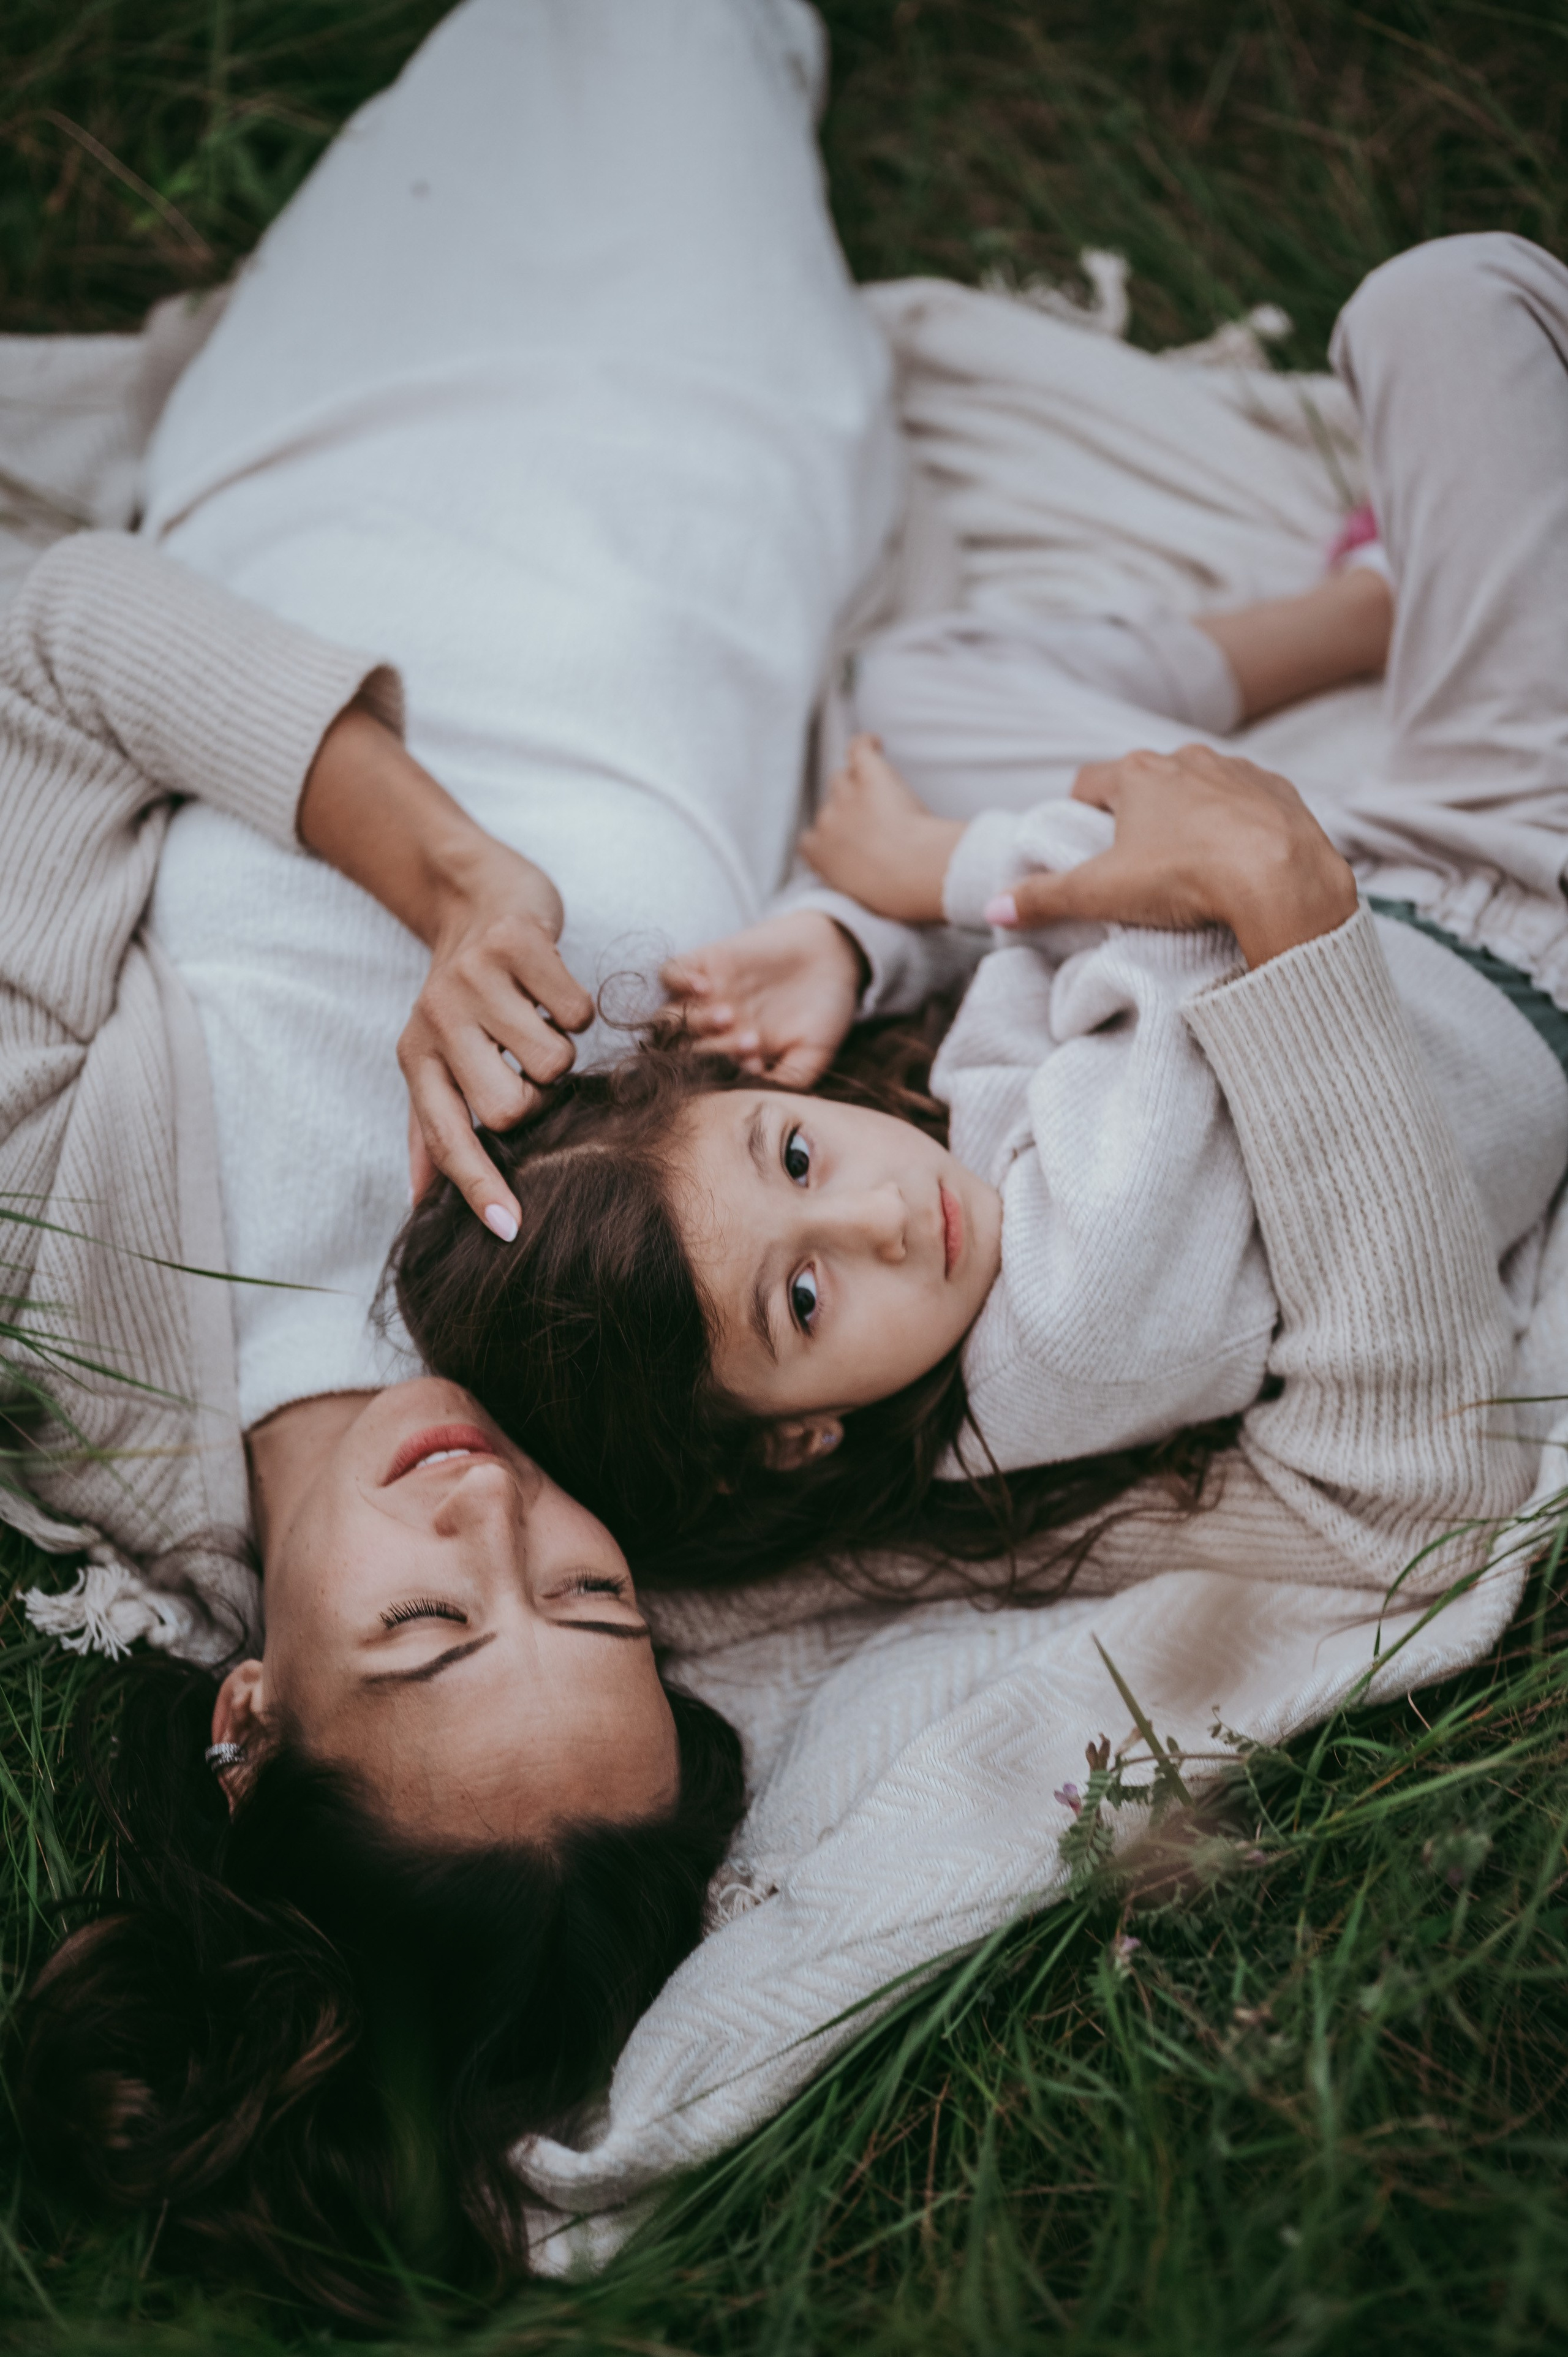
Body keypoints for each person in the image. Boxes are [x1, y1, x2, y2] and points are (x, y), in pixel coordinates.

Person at [4, 0, 887, 2314]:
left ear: (249, 1714)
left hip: (369, 450)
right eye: (591, 1604)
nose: (493, 1515)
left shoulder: (68, 1308)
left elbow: (55, 635)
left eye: (423, 1627)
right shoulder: (683, 1392)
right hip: (721, 499)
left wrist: (451, 880)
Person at [391, 234, 1568, 1597]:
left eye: (793, 1154)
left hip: (1398, 881)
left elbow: (1072, 956)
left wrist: (854, 941)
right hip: (1519, 901)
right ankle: (1424, 596)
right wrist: (942, 873)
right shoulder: (1067, 1327)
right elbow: (1187, 898)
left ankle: (1374, 608)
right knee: (1449, 301)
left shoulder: (975, 1312)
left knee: (906, 700)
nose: (879, 1217)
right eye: (804, 1300)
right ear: (792, 1439)